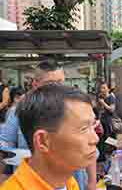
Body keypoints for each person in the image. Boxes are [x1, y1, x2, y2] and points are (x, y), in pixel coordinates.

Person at [0, 60, 98, 190]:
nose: (95, 138)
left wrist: (92, 181)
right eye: (83, 128)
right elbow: (5, 148)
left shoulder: (70, 183)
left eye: (61, 82)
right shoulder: (19, 111)